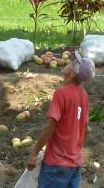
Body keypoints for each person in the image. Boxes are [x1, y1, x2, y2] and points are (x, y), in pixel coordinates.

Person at [26, 50, 95, 188]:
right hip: (75, 164)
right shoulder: (84, 96)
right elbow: (85, 127)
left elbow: (51, 126)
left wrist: (34, 153)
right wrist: (75, 150)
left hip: (56, 164)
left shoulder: (61, 94)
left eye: (72, 62)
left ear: (72, 73)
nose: (69, 62)